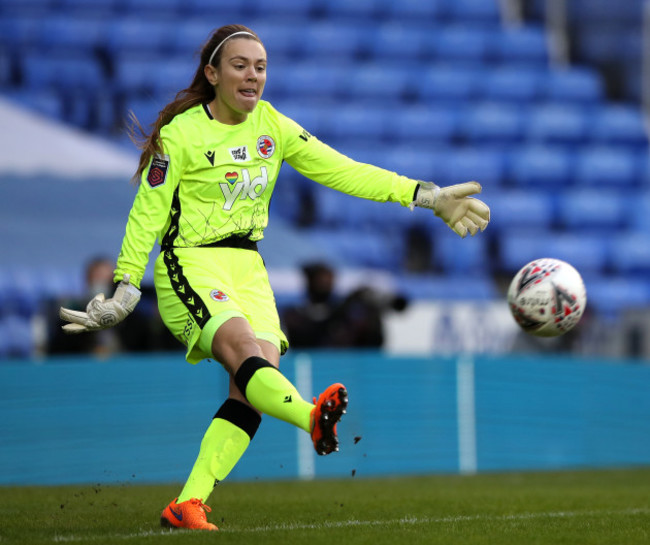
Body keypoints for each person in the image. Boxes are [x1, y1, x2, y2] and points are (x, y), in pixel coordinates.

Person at [59, 24, 490, 531]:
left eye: (260, 67)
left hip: (249, 268)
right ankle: (312, 417)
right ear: (212, 74)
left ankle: (188, 504)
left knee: (256, 380)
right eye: (240, 65)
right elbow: (147, 212)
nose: (253, 76)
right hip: (191, 262)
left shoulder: (273, 126)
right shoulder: (181, 135)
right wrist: (128, 285)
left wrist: (427, 195)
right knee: (245, 353)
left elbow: (344, 170)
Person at [282, 261, 408, 348]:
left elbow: (372, 346)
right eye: (321, 281)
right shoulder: (295, 314)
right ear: (309, 281)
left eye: (329, 280)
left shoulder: (345, 313)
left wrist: (372, 319)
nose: (326, 285)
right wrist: (344, 308)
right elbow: (311, 337)